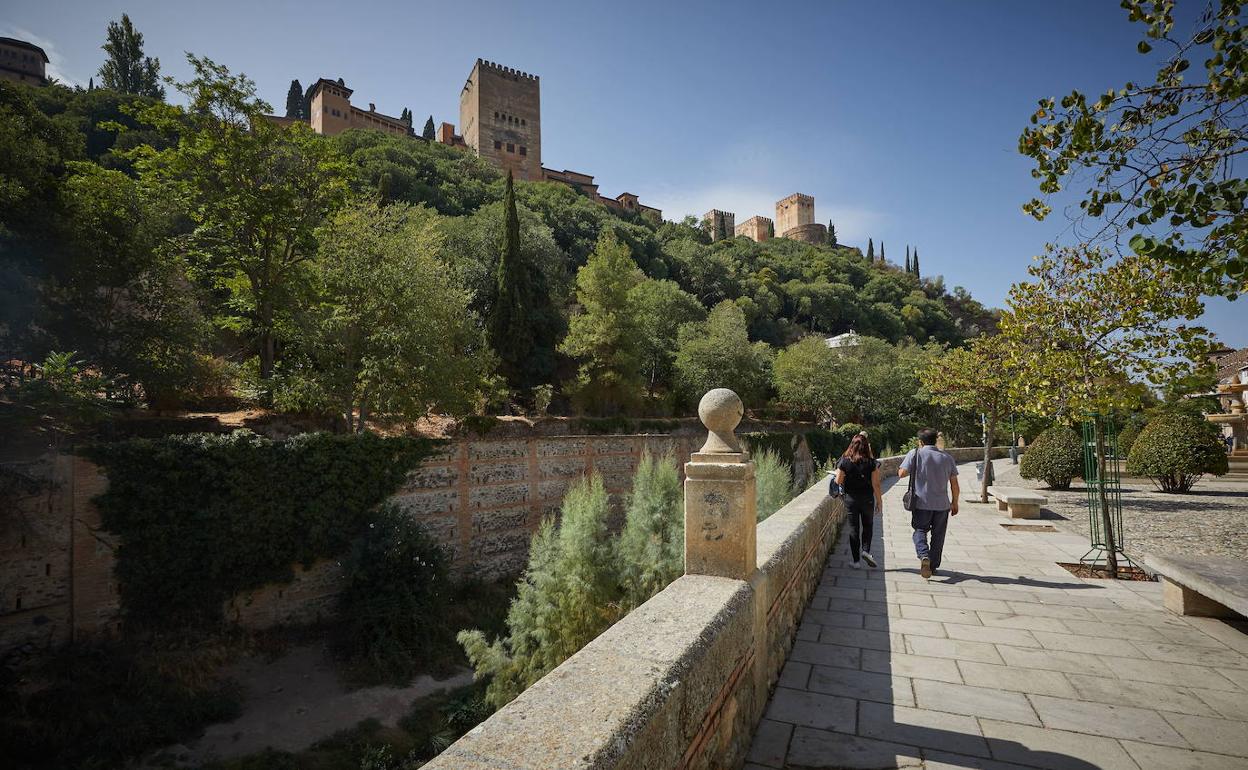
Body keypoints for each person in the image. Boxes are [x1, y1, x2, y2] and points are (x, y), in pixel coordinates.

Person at [898, 428, 960, 579]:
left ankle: (924, 555)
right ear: (935, 440)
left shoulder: (915, 453)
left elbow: (901, 474)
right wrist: (955, 502)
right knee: (938, 536)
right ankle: (932, 566)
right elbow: (954, 484)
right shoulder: (947, 458)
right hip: (942, 505)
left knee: (920, 530)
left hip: (921, 503)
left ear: (920, 441)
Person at [835, 433, 883, 569]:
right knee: (868, 526)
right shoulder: (872, 463)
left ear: (852, 445)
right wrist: (879, 501)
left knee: (854, 529)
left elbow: (838, 480)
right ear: (866, 446)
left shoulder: (845, 461)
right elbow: (876, 484)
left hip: (851, 500)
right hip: (867, 499)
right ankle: (866, 551)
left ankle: (856, 562)